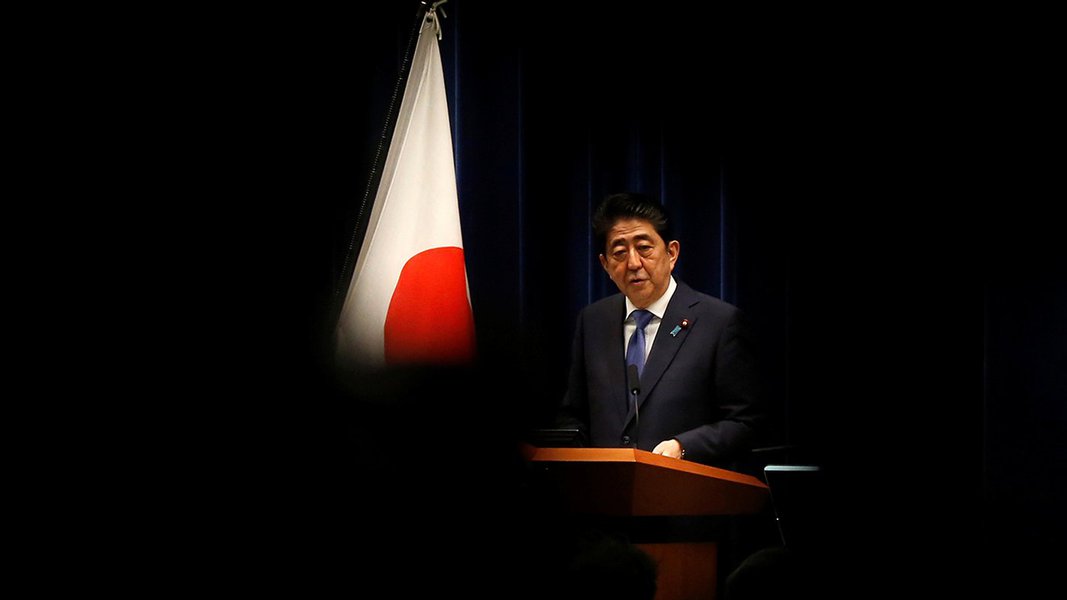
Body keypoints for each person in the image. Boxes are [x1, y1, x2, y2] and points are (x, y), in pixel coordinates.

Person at [555, 192, 763, 467]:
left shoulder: (719, 322)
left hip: (687, 496)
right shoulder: (593, 321)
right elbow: (574, 416)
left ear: (672, 252)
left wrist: (684, 446)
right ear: (605, 264)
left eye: (644, 248)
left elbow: (746, 423)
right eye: (619, 252)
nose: (633, 263)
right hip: (606, 501)